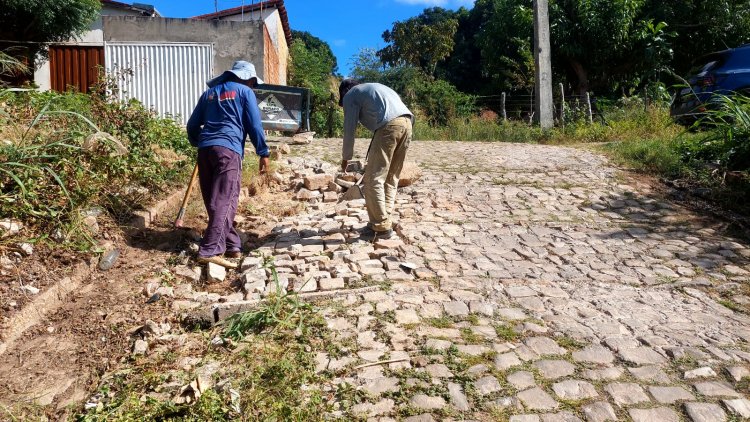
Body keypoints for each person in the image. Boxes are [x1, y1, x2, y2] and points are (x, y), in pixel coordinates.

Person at [187, 61, 269, 269]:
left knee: (215, 200)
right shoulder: (244, 92)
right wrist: (263, 152)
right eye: (253, 82)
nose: (253, 86)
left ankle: (232, 244)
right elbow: (254, 124)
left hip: (205, 151)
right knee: (225, 199)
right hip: (228, 150)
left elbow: (192, 125)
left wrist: (201, 142)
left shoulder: (209, 94)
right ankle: (210, 249)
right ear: (247, 78)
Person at [339, 79, 414, 240]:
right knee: (391, 177)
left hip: (389, 126)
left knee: (373, 179)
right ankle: (383, 219)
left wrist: (346, 158)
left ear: (344, 92)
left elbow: (349, 128)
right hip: (408, 123)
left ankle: (380, 227)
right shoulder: (375, 88)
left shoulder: (351, 95)